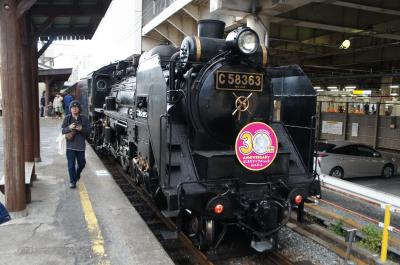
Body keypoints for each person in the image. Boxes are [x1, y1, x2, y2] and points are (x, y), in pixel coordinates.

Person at [61, 100, 91, 189]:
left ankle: (77, 175)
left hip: (81, 146)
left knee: (82, 163)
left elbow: (89, 131)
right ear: (70, 109)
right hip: (70, 146)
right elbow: (63, 131)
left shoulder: (84, 119)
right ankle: (72, 181)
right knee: (71, 164)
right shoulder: (67, 118)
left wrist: (81, 128)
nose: (74, 109)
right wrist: (69, 127)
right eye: (72, 108)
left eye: (76, 107)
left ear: (79, 109)